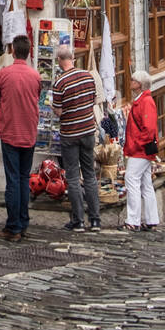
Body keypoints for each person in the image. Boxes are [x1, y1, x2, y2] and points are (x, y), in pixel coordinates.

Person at [0, 34, 41, 242]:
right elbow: (37, 95)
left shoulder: (3, 74)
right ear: (28, 52)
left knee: (13, 180)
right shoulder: (35, 75)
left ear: (12, 51)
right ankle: (23, 221)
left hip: (10, 131)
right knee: (23, 177)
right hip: (28, 132)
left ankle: (13, 227)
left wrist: (3, 104)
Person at [52, 45, 101, 233]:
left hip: (70, 134)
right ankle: (95, 220)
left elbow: (58, 111)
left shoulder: (59, 82)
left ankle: (78, 221)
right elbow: (93, 101)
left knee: (72, 177)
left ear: (59, 60)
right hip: (88, 131)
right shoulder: (88, 76)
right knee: (90, 175)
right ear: (72, 57)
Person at [123, 70, 160, 232]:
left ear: (139, 85)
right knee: (146, 184)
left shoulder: (145, 102)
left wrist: (138, 143)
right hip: (141, 149)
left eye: (133, 80)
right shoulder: (140, 101)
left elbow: (149, 128)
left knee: (131, 179)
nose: (130, 82)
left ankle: (133, 220)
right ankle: (151, 219)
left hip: (140, 150)